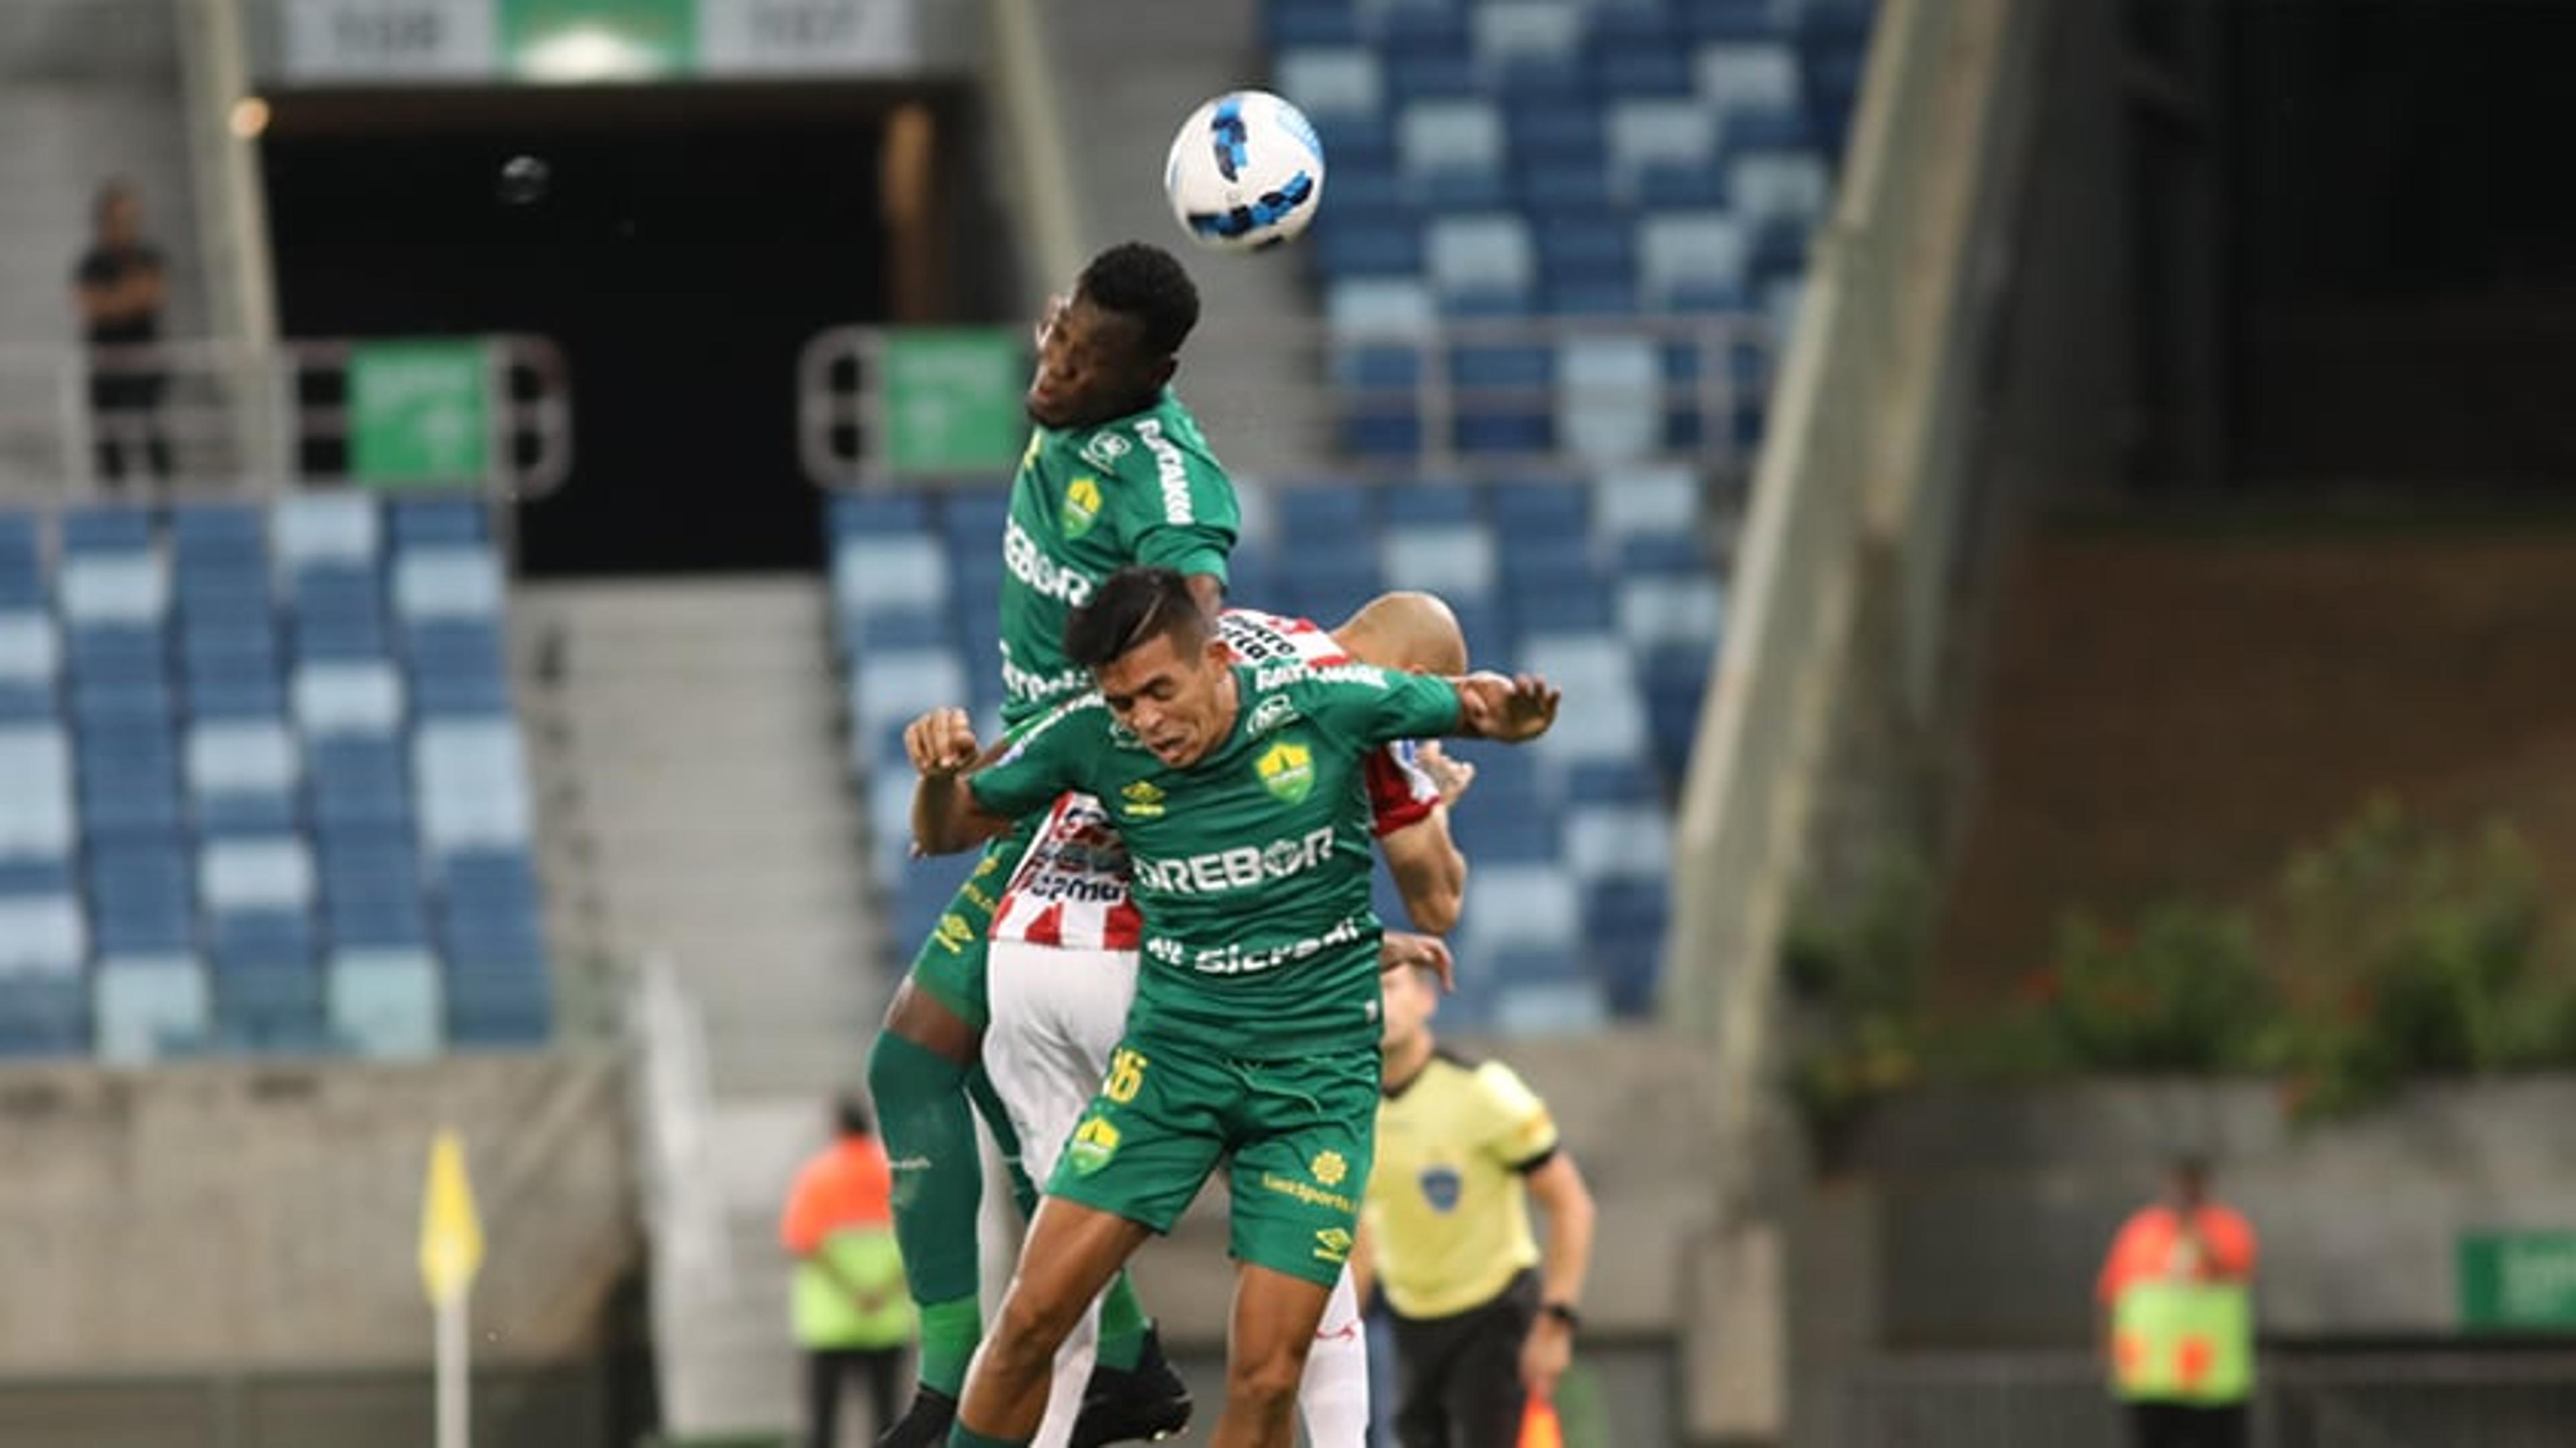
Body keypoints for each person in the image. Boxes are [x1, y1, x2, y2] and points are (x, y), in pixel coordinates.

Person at [906, 565, 1559, 1448]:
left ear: (1218, 658)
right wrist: (941, 777)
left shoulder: (1329, 700)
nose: (1145, 720)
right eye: (1124, 699)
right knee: (1030, 1318)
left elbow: (1473, 708)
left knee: (1262, 1377)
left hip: (1311, 1086)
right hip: (1169, 1064)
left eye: (1160, 692)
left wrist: (1500, 727)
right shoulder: (1094, 734)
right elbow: (946, 828)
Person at [869, 242, 1230, 1445]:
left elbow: (1197, 635)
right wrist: (1069, 317)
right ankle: (1120, 1357)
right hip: (1038, 785)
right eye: (1060, 340)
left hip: (1088, 806)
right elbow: (1071, 326)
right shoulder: (1074, 361)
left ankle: (953, 1383)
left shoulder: (1166, 487)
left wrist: (1138, 772)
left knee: (920, 1056)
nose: (1059, 373)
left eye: (1089, 363)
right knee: (959, 1065)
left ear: (1155, 374)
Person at [1352, 961, 1597, 1448]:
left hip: (1494, 1313)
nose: (1378, 1002)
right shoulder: (1350, 1108)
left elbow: (1571, 1203)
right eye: (1362, 988)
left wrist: (1557, 1322)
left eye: (1389, 985)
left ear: (1426, 999)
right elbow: (1361, 1233)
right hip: (1409, 1319)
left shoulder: (1483, 1091)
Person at [782, 1095, 918, 1448]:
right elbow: (919, 1242)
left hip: (831, 1321)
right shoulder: (893, 1173)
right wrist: (882, 1290)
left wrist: (852, 1290)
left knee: (823, 1422)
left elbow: (802, 1241)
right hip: (886, 1318)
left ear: (836, 1128)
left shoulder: (817, 1176)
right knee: (887, 1418)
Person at [2097, 1157, 2258, 1448]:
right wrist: (2107, 1351)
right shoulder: (2139, 1231)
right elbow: (2111, 1294)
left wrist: (2194, 1232)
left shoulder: (2226, 1228)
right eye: (2176, 1185)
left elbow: (2231, 1272)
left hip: (2214, 1383)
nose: (2182, 1193)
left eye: (2189, 1185)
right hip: (2152, 1381)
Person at [70, 180, 172, 488]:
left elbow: (154, 296)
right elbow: (91, 306)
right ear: (103, 220)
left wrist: (115, 300)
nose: (124, 225)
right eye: (117, 218)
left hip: (144, 359)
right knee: (109, 441)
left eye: (130, 218)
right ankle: (115, 510)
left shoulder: (150, 256)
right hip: (106, 362)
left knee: (153, 435)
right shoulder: (90, 263)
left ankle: (166, 507)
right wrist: (129, 298)